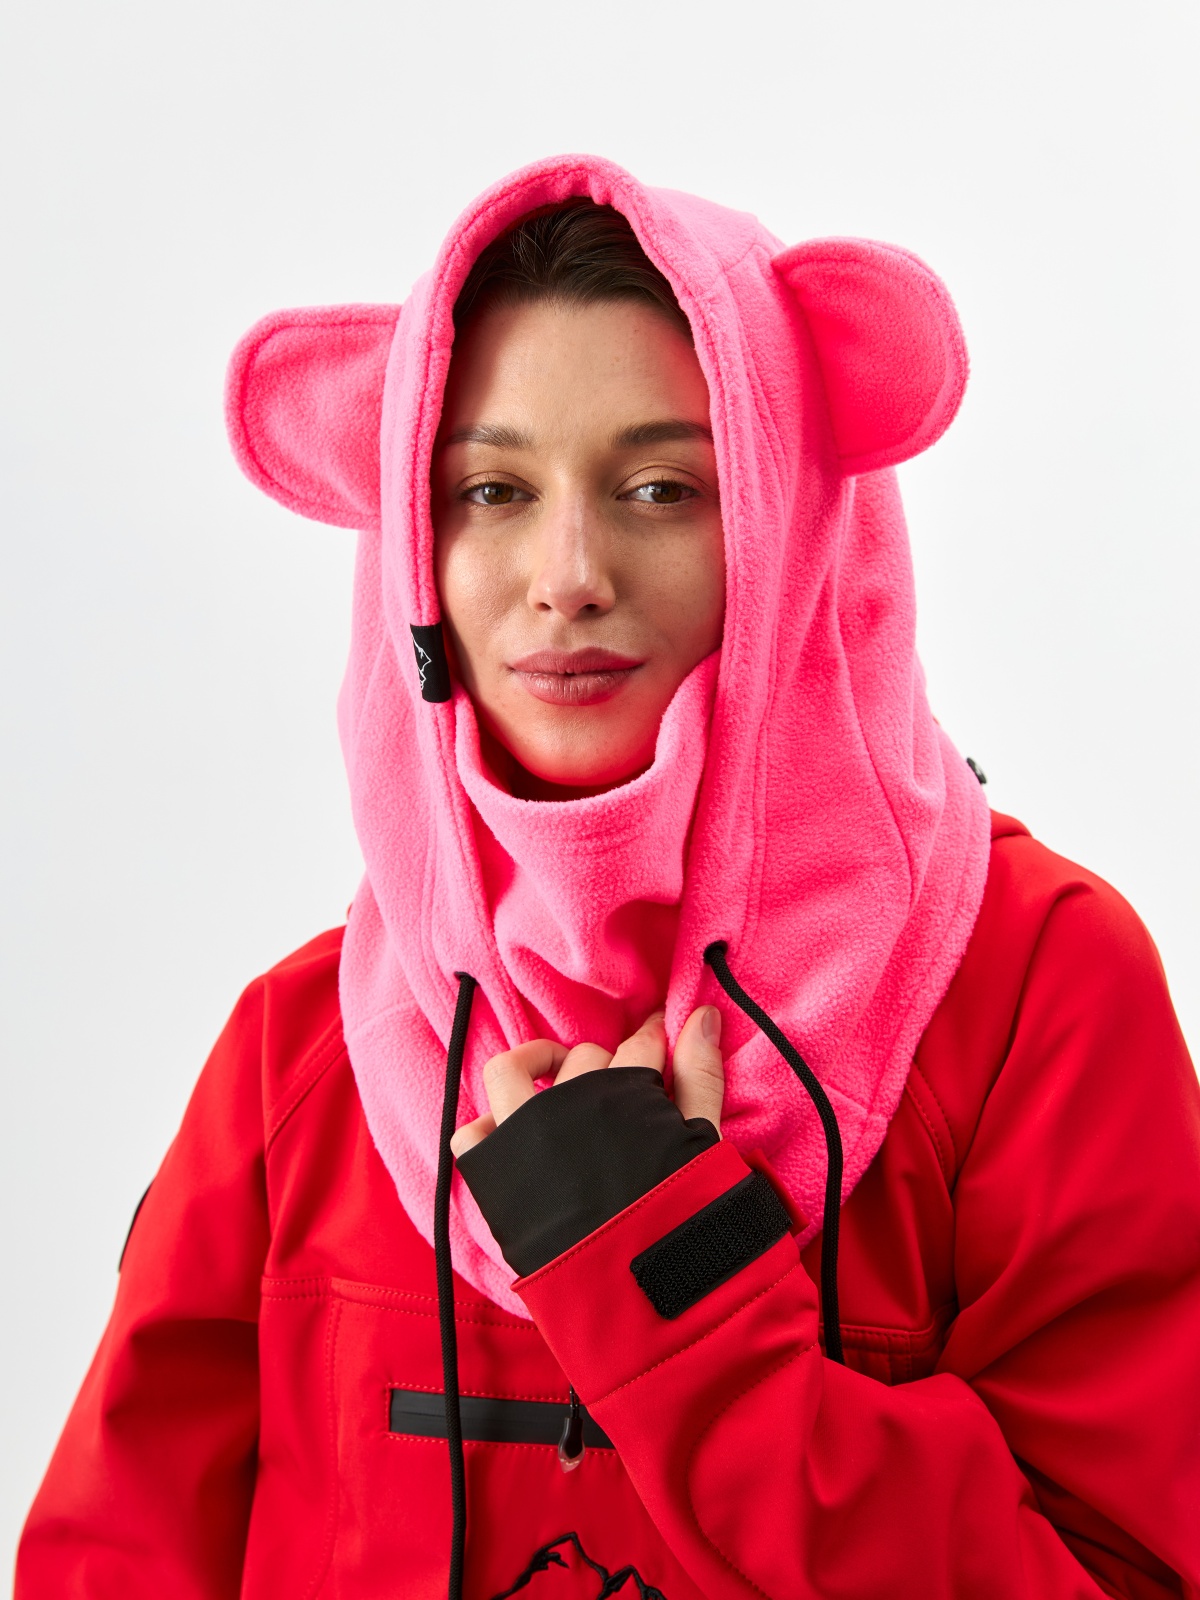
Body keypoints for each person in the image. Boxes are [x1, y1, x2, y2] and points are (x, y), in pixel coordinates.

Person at [16, 154, 1200, 1600]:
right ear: (412, 553)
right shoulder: (301, 1053)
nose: (568, 571)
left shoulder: (1036, 989)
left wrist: (667, 1275)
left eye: (660, 487)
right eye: (491, 489)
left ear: (788, 525)